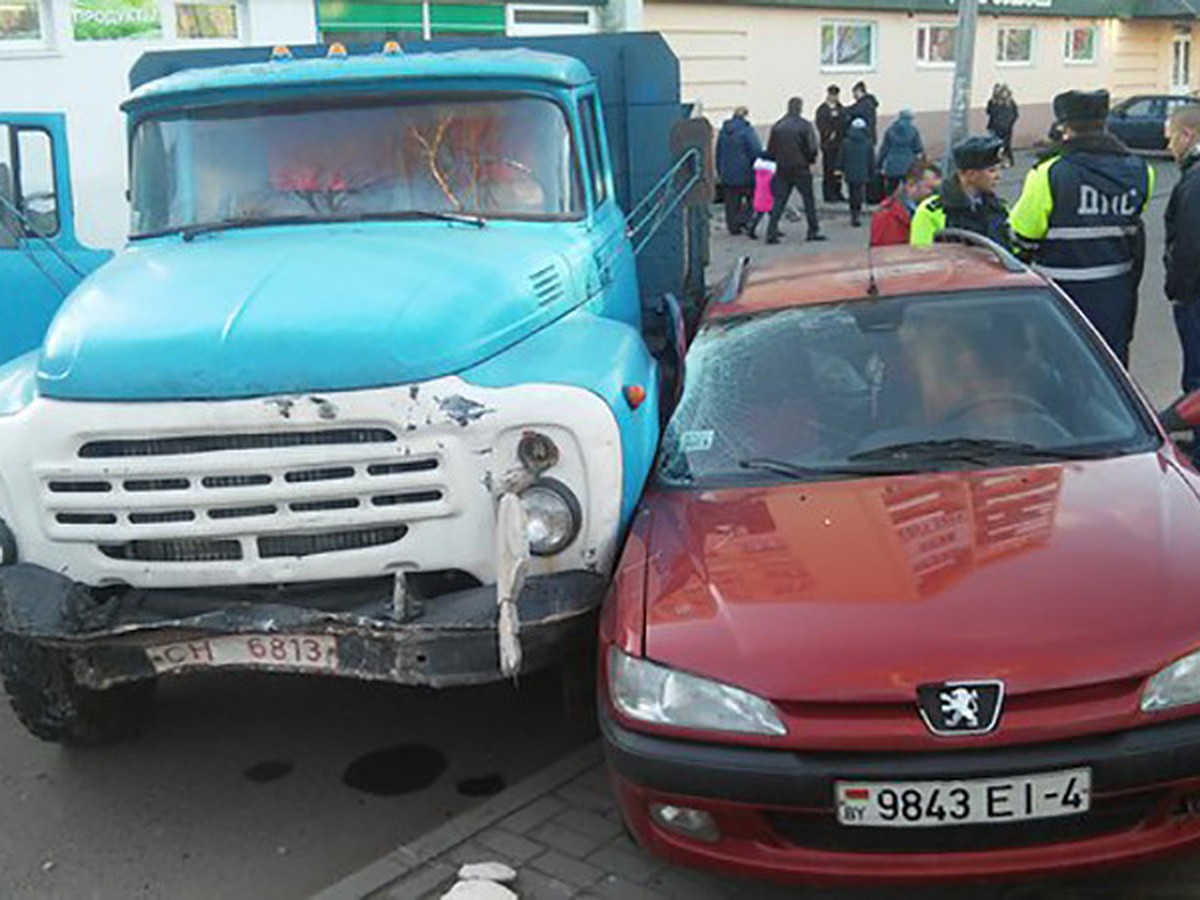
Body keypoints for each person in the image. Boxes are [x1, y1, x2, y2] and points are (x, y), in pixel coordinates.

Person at [1010, 89, 1154, 366]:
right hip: (1116, 295)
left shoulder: (1049, 173)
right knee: (1109, 371)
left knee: (1061, 369)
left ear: (1064, 128)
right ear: (1105, 123)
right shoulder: (1141, 170)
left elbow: (1021, 237)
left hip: (1061, 298)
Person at [1163, 104, 1200, 461]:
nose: (1169, 147)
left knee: (1197, 379)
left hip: (1196, 297)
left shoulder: (1195, 179)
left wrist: (1179, 291)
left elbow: (1189, 246)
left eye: (1172, 138)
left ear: (1187, 135)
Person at [910, 134, 1009, 247]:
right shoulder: (930, 213)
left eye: (999, 169)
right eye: (992, 171)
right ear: (971, 175)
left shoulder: (998, 207)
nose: (998, 176)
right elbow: (924, 257)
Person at [765, 97, 825, 244]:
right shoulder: (804, 125)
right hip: (800, 167)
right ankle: (813, 230)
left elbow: (771, 150)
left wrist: (777, 160)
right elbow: (811, 147)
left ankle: (771, 231)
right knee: (808, 200)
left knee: (779, 200)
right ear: (800, 108)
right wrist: (810, 160)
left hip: (782, 167)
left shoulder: (778, 126)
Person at [870, 160, 942, 246]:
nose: (935, 193)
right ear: (911, 185)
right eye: (930, 188)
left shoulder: (932, 211)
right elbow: (882, 254)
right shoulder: (887, 215)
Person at [715, 106, 762, 235]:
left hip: (727, 173)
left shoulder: (723, 131)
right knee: (753, 198)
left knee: (731, 202)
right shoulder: (746, 131)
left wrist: (720, 170)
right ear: (745, 116)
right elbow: (755, 150)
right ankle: (743, 220)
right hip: (745, 172)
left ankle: (733, 227)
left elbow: (718, 152)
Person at [877, 109, 924, 195]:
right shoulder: (913, 131)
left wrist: (879, 164)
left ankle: (889, 206)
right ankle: (906, 206)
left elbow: (884, 149)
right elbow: (918, 148)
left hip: (892, 163)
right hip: (908, 163)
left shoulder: (890, 130)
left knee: (891, 188)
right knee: (908, 189)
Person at [836, 118, 873, 227]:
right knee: (860, 193)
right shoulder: (867, 142)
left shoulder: (846, 142)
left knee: (852, 193)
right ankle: (858, 213)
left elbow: (841, 157)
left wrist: (839, 168)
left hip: (850, 171)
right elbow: (871, 159)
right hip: (862, 171)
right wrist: (871, 171)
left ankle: (853, 214)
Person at [815, 85, 847, 203]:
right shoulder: (822, 109)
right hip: (828, 145)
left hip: (839, 143)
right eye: (832, 95)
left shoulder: (841, 108)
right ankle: (828, 194)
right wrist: (829, 132)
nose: (834, 97)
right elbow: (820, 124)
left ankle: (838, 192)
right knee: (828, 169)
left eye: (836, 95)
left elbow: (844, 122)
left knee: (838, 170)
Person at [986, 84, 1020, 167]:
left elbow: (1015, 114)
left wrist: (1010, 122)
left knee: (1005, 145)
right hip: (997, 127)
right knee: (998, 145)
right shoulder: (994, 102)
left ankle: (1006, 161)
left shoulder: (1009, 103)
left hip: (1004, 127)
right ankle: (1001, 161)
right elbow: (989, 112)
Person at [746, 154, 776, 240]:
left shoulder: (758, 172)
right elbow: (773, 185)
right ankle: (773, 229)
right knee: (773, 214)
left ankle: (752, 228)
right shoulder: (771, 172)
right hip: (769, 196)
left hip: (759, 195)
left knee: (759, 213)